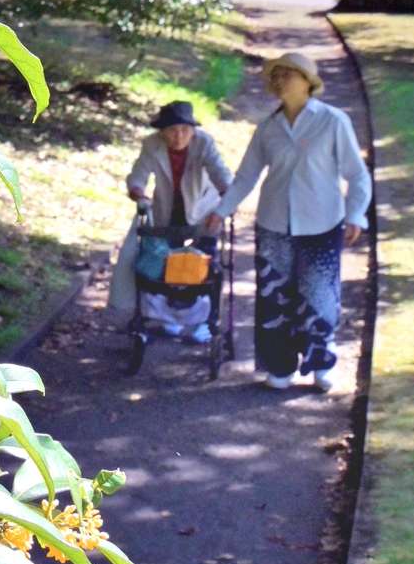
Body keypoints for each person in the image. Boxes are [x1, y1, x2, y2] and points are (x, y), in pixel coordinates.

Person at [199, 51, 371, 394]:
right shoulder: (268, 127)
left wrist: (355, 215)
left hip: (323, 223)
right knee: (275, 297)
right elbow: (247, 175)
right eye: (276, 77)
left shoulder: (333, 121)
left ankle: (321, 363)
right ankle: (280, 366)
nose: (280, 82)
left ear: (308, 82)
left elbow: (357, 174)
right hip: (274, 223)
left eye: (288, 75)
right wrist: (223, 209)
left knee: (319, 296)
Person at [107, 99, 231, 339]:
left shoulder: (203, 143)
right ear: (162, 131)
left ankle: (203, 321)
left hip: (203, 210)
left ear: (193, 130)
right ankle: (169, 316)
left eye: (185, 130)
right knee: (168, 267)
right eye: (172, 130)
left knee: (202, 267)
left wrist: (226, 202)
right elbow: (138, 176)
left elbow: (220, 173)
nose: (179, 136)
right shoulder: (152, 144)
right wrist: (138, 193)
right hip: (167, 209)